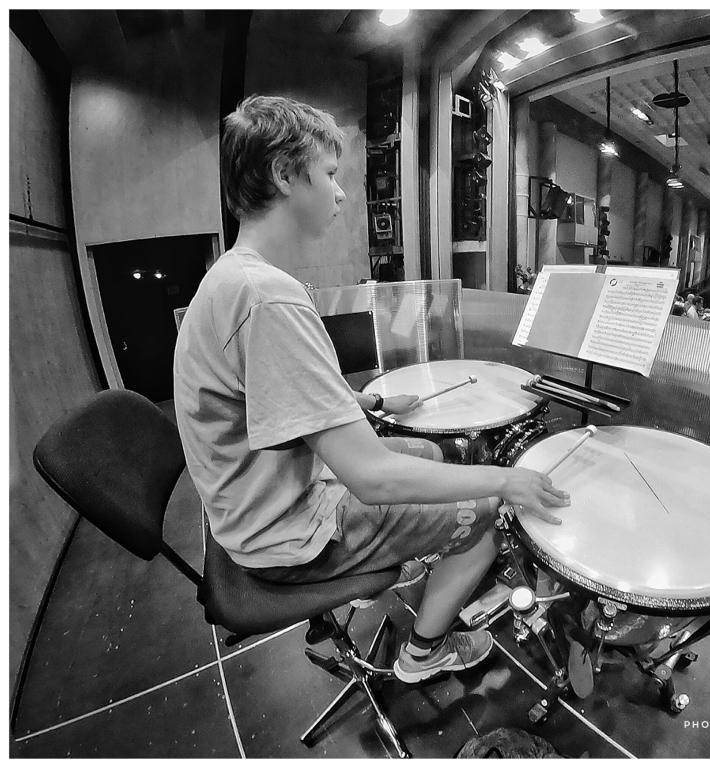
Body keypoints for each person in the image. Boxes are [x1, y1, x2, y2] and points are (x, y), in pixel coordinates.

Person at [173, 95, 570, 686]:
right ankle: (424, 652)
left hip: (251, 507)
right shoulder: (269, 298)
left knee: (431, 451)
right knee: (491, 513)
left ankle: (415, 554)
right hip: (288, 535)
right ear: (284, 174)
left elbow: (280, 399)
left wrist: (374, 403)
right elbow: (372, 478)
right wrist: (507, 480)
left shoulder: (234, 278)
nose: (340, 194)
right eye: (330, 174)